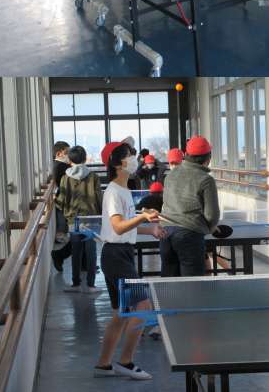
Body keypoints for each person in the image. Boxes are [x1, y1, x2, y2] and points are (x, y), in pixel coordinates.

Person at [94, 142, 164, 379]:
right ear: (118, 164)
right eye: (129, 155)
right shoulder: (114, 191)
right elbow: (117, 227)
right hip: (115, 256)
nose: (134, 158)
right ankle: (126, 361)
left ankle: (103, 364)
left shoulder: (124, 190)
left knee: (121, 312)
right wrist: (143, 217)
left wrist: (149, 228)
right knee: (143, 306)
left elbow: (126, 226)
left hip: (120, 254)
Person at [160, 135, 220, 277]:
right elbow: (212, 215)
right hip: (189, 236)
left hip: (165, 234)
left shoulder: (170, 176)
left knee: (169, 285)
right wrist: (211, 228)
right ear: (208, 158)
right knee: (192, 285)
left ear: (186, 155)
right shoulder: (206, 180)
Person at [57, 145, 102, 294]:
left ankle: (76, 284)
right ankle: (91, 285)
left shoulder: (65, 178)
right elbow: (99, 198)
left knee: (76, 252)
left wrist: (65, 212)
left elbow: (61, 200)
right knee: (91, 252)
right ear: (85, 158)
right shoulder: (93, 177)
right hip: (91, 219)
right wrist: (101, 217)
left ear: (70, 160)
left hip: (74, 220)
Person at [50, 140, 72, 272]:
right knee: (75, 235)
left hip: (63, 202)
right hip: (64, 203)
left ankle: (84, 263)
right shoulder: (61, 167)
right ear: (59, 153)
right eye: (67, 152)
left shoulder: (58, 165)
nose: (69, 155)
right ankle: (59, 255)